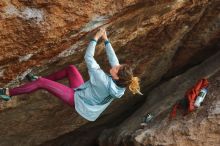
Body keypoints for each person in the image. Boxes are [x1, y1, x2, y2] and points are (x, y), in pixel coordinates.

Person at [0, 28, 142, 121]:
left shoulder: (103, 80)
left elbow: (89, 58)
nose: (116, 65)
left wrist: (95, 38)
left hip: (79, 102)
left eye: (117, 68)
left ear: (116, 77)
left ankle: (8, 93)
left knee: (41, 84)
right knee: (71, 69)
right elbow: (114, 60)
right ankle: (38, 79)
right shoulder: (122, 84)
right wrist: (106, 40)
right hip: (86, 95)